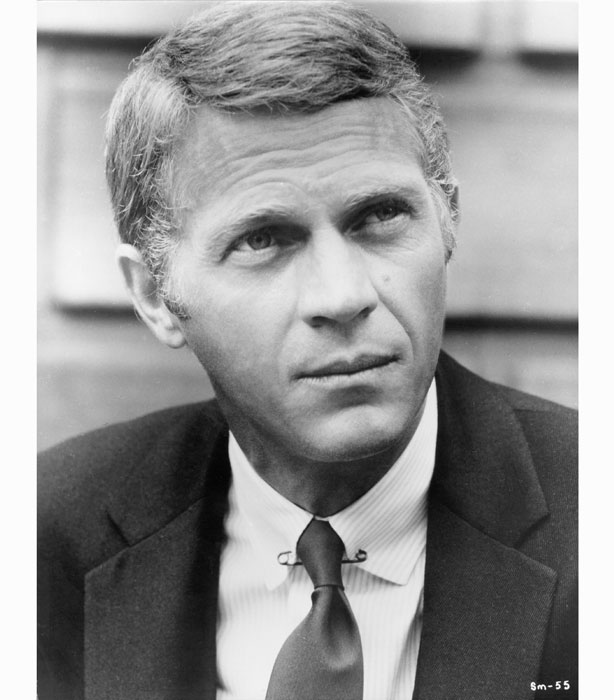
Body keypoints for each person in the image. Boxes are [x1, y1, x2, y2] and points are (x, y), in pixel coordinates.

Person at [37, 2, 577, 699]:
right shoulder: (45, 539)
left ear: (448, 221)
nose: (343, 295)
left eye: (381, 215)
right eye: (263, 240)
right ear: (154, 296)